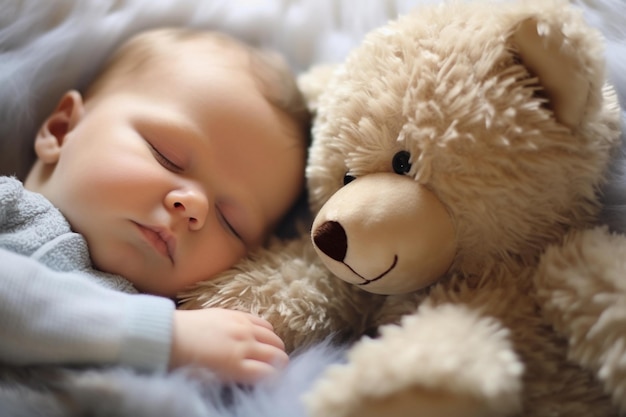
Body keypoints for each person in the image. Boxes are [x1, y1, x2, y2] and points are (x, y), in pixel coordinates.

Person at [0, 28, 310, 384]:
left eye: (230, 222)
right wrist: (162, 336)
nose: (194, 206)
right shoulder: (9, 207)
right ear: (61, 129)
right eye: (167, 157)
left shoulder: (201, 335)